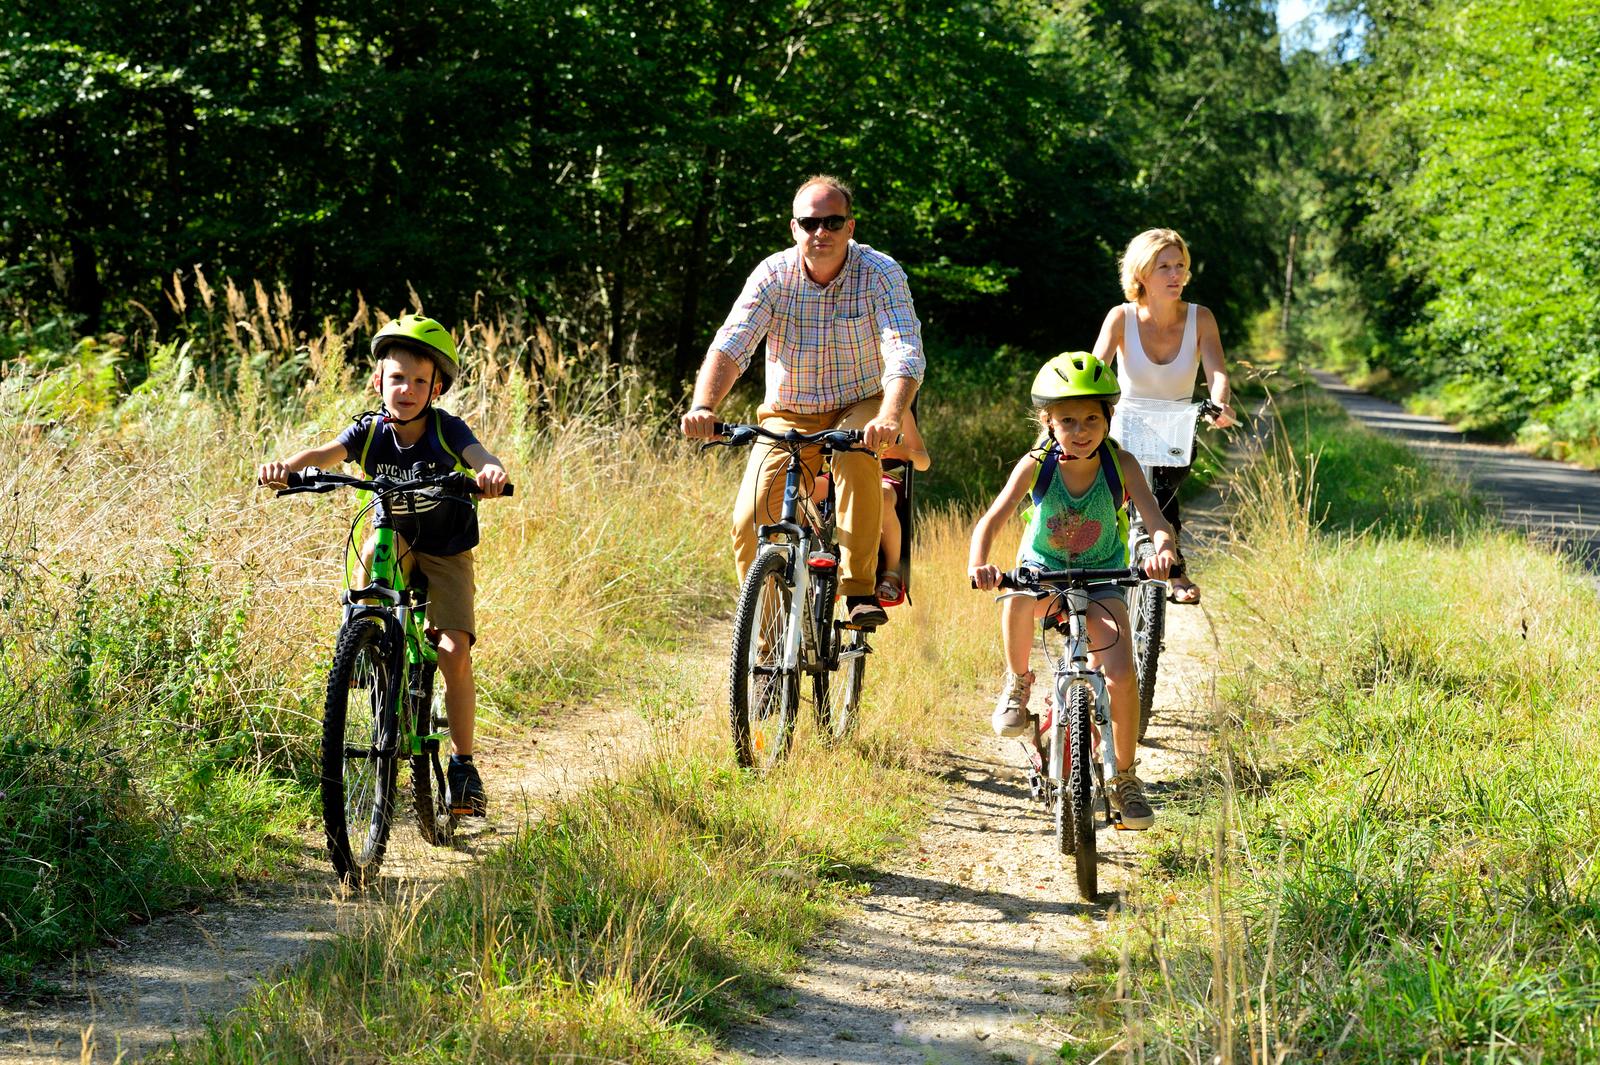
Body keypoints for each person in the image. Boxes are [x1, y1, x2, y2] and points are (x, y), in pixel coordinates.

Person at [258, 314, 508, 817]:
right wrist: (286, 468)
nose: (408, 389)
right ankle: (364, 636)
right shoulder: (370, 431)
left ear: (436, 388)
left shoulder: (446, 429)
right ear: (378, 382)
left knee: (452, 650)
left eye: (420, 381)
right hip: (398, 540)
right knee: (374, 546)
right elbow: (325, 452)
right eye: (397, 378)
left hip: (446, 549)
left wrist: (488, 472)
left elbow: (478, 453)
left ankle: (462, 765)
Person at [681, 174, 925, 627]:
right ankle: (769, 644)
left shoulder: (881, 273)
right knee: (749, 520)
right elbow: (732, 345)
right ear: (794, 228)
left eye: (833, 222)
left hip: (861, 402)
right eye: (811, 222)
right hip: (789, 411)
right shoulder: (773, 275)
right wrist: (704, 406)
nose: (821, 233)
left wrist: (890, 416)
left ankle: (857, 592)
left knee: (855, 456)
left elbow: (904, 349)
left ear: (850, 228)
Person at [968, 352, 1177, 830]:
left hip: (1104, 576)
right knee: (1017, 593)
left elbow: (1156, 522)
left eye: (1090, 418)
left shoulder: (1120, 464)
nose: (1080, 430)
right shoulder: (1035, 465)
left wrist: (1161, 551)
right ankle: (1017, 683)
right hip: (1044, 574)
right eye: (1067, 420)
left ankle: (1124, 778)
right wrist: (979, 562)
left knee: (1122, 675)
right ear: (1048, 422)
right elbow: (992, 520)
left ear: (1108, 418)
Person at [1091, 228, 1235, 605]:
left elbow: (1217, 373)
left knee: (1165, 493)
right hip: (1125, 426)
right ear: (1141, 274)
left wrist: (1220, 403)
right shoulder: (1120, 318)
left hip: (1176, 427)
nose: (1176, 275)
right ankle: (1093, 575)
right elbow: (1095, 372)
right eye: (1164, 267)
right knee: (1106, 499)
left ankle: (1175, 571)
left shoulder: (1200, 319)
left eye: (1180, 266)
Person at [873, 405, 930, 605]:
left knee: (882, 495)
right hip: (846, 477)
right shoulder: (842, 397)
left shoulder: (900, 410)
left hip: (887, 479)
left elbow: (924, 462)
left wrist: (904, 451)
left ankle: (891, 572)